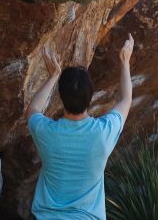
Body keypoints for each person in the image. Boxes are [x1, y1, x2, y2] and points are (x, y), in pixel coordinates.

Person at [25, 34, 134, 219]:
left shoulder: (46, 132)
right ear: (90, 97)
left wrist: (53, 76)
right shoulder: (103, 133)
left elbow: (33, 109)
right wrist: (125, 62)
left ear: (61, 97)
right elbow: (126, 99)